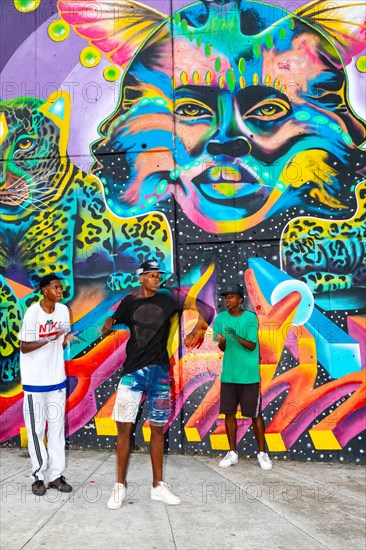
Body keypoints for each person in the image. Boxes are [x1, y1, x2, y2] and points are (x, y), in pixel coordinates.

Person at [102, 259, 211, 509]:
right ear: (140, 278)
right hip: (132, 373)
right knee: (124, 430)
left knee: (158, 429)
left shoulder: (168, 299)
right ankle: (119, 486)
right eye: (151, 275)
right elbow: (108, 325)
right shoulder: (129, 302)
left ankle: (158, 486)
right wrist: (107, 326)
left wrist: (200, 328)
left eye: (157, 275)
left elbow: (204, 307)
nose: (156, 278)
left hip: (160, 373)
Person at [19, 274, 73, 496]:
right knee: (36, 430)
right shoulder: (33, 312)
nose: (60, 291)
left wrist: (65, 339)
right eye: (55, 287)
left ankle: (56, 476)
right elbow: (24, 346)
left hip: (56, 381)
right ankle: (38, 476)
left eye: (61, 288)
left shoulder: (63, 311)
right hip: (34, 383)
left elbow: (62, 342)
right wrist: (49, 338)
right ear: (44, 290)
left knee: (57, 430)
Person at [213, 283, 272, 471]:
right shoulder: (220, 318)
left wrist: (233, 335)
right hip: (229, 375)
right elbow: (222, 348)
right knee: (229, 414)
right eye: (226, 297)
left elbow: (252, 345)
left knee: (255, 415)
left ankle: (262, 453)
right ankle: (232, 453)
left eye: (231, 296)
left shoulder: (250, 318)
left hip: (249, 376)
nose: (227, 300)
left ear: (240, 299)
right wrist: (222, 341)